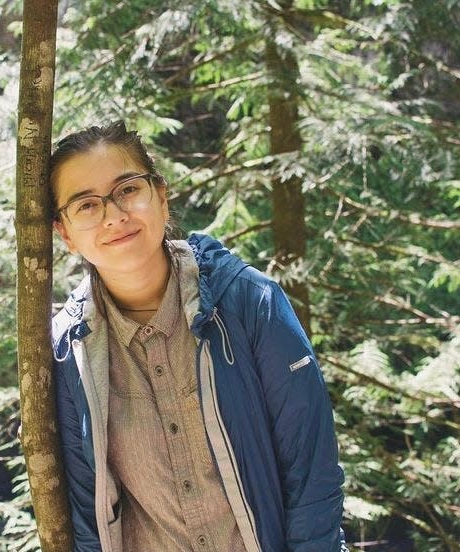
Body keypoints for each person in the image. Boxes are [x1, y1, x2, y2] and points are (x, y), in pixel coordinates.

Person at [49, 121, 346, 552]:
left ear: (162, 197)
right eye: (87, 206)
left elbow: (312, 478)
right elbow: (88, 516)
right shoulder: (70, 352)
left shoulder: (249, 303)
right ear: (65, 234)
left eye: (128, 189)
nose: (114, 215)